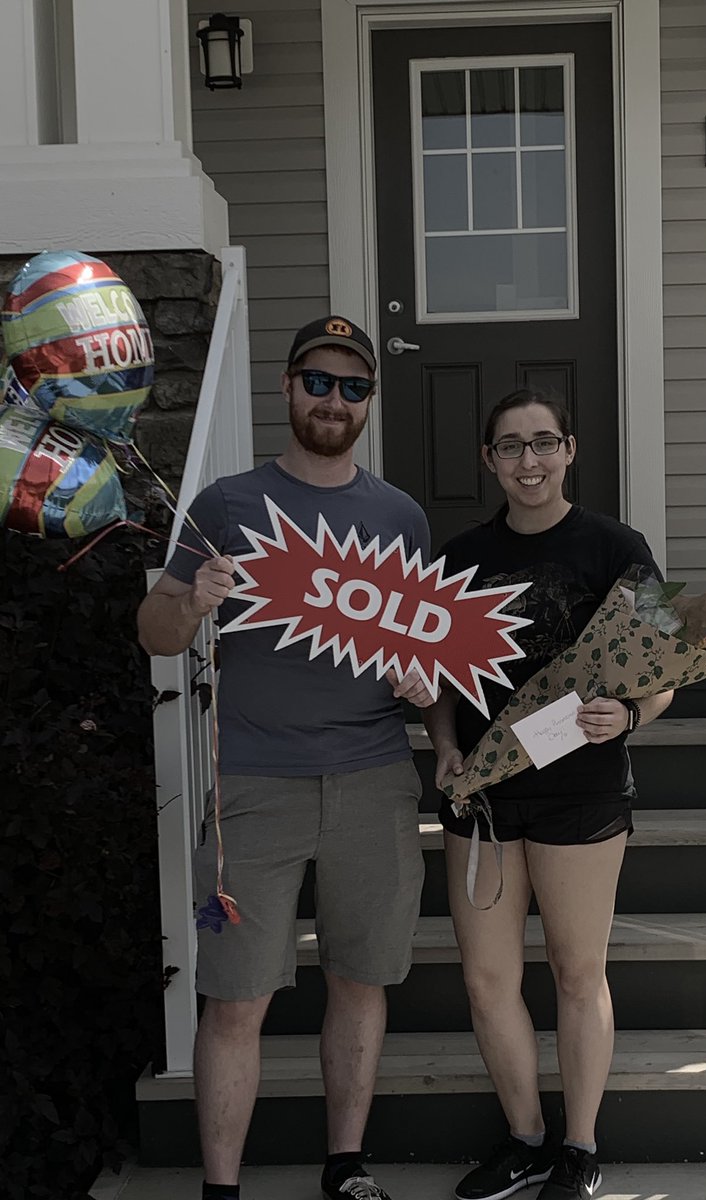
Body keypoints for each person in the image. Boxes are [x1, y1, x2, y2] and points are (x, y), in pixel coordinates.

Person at [138, 316, 435, 1200]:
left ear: (369, 402)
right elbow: (153, 634)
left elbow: (423, 652)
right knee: (235, 998)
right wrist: (192, 602)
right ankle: (221, 1189)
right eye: (318, 381)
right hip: (254, 788)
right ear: (288, 387)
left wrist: (433, 706)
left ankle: (345, 1167)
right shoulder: (227, 503)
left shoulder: (400, 517)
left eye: (352, 387)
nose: (333, 401)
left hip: (376, 778)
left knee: (360, 978)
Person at [423, 390, 674, 1200]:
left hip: (581, 791)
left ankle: (579, 1148)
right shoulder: (459, 556)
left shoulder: (617, 547)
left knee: (576, 971)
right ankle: (525, 1139)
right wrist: (447, 744)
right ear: (488, 461)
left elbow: (664, 670)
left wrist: (630, 711)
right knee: (487, 981)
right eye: (509, 447)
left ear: (570, 450)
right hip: (485, 797)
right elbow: (437, 682)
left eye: (543, 443)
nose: (528, 461)